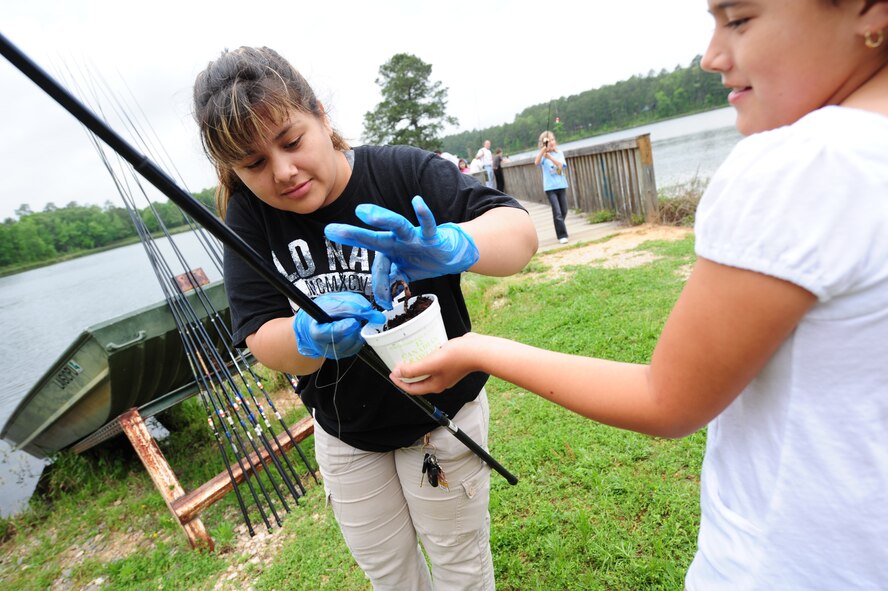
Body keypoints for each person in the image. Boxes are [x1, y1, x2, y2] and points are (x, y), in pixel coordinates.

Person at [388, 2, 888, 589]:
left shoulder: (805, 163)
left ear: (869, 10)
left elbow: (666, 400)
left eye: (740, 19)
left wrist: (477, 349)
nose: (712, 56)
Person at [192, 46, 538, 591]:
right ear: (232, 170)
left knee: (461, 567)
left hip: (443, 418)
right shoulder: (248, 217)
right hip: (344, 435)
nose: (283, 172)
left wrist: (457, 245)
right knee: (390, 577)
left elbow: (519, 236)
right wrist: (308, 335)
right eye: (254, 164)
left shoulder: (400, 172)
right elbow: (261, 336)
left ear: (321, 118)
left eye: (291, 141)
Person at [534, 131, 569, 244]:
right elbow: (536, 162)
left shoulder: (559, 153)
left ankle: (559, 225)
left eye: (553, 139)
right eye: (548, 141)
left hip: (561, 184)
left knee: (564, 210)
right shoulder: (543, 155)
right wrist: (543, 151)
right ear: (544, 143)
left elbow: (560, 167)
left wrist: (550, 157)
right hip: (550, 188)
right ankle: (562, 235)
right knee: (557, 211)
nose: (552, 142)